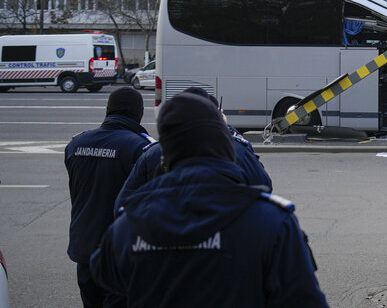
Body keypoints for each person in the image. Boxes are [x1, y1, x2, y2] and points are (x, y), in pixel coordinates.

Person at [90, 92, 329, 306]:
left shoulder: (128, 227)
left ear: (167, 153)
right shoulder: (273, 224)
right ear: (223, 143)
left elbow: (108, 284)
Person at [114, 87, 272, 211]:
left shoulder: (153, 152)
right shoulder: (238, 148)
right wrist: (226, 129)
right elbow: (265, 188)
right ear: (214, 115)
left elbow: (123, 204)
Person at [65, 86, 153, 308]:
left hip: (84, 247)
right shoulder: (143, 148)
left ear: (108, 110)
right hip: (120, 253)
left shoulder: (76, 144)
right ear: (138, 113)